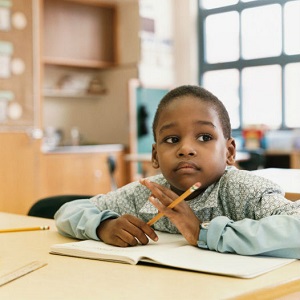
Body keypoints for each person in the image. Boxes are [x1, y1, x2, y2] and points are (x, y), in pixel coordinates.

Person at [55, 85, 300, 258]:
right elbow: (69, 211)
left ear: (229, 152)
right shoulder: (148, 194)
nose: (185, 149)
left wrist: (203, 233)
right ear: (155, 156)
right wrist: (104, 226)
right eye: (172, 139)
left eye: (204, 137)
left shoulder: (242, 191)